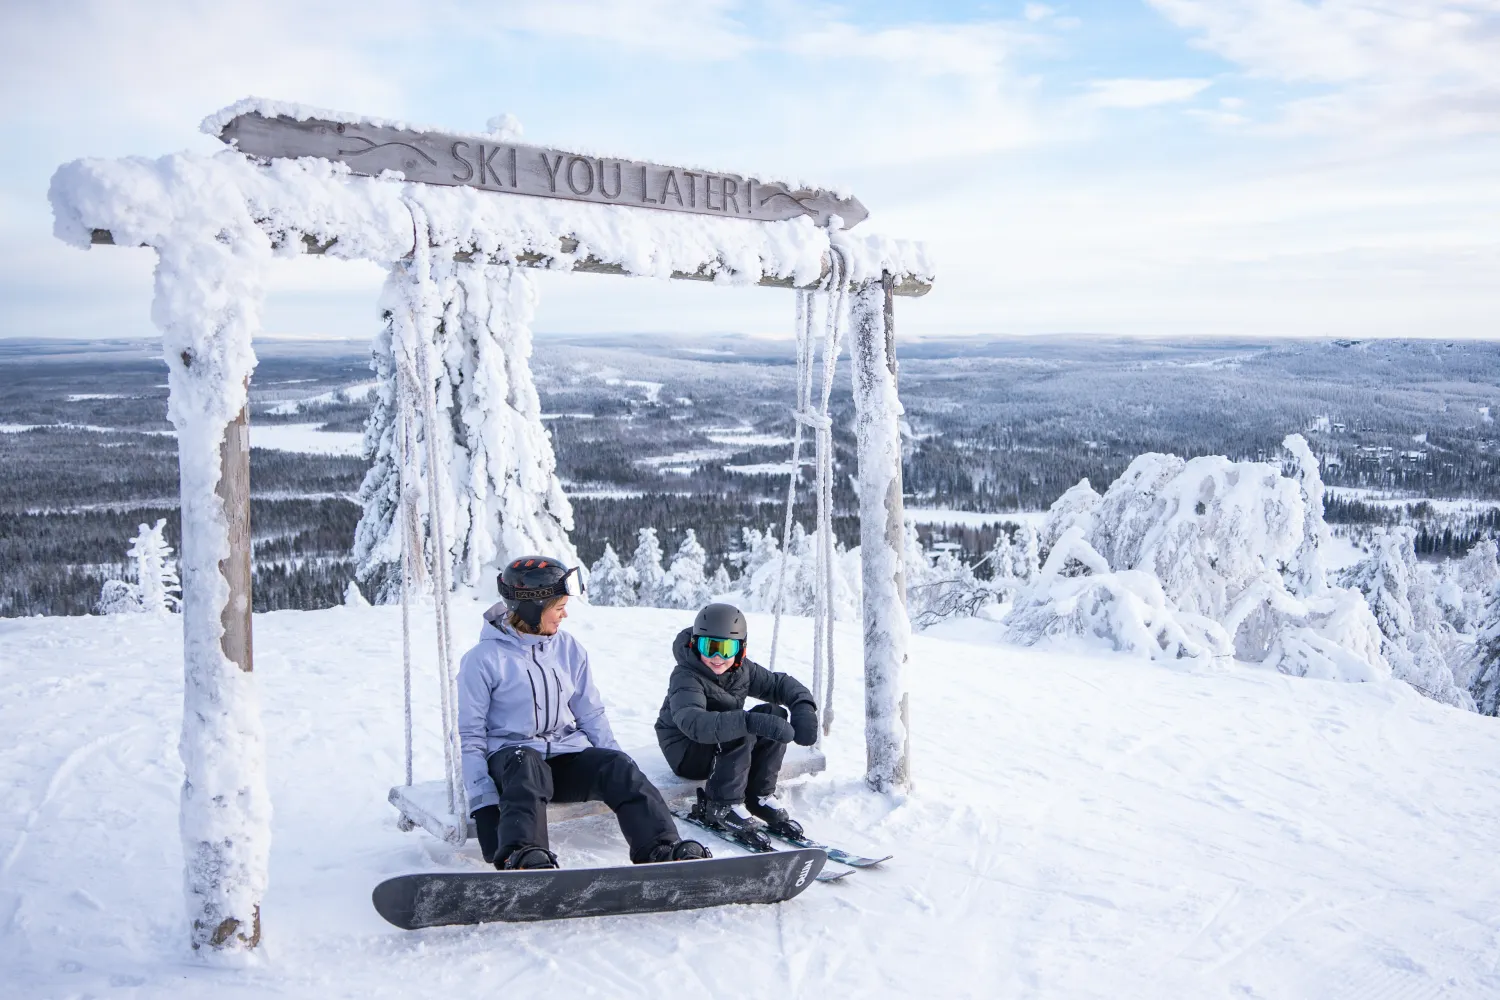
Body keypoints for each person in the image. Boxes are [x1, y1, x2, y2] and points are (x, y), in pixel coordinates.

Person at [458, 555, 708, 870]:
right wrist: (483, 801)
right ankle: (522, 855)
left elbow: (590, 714)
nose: (565, 615)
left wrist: (619, 762)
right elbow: (471, 735)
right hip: (512, 763)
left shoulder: (568, 648)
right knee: (526, 764)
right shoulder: (483, 660)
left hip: (564, 757)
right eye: (559, 608)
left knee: (617, 766)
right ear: (533, 608)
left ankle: (661, 847)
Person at [654, 602, 819, 843]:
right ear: (695, 644)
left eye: (727, 649)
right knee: (741, 727)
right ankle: (722, 804)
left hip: (719, 749)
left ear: (741, 649)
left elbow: (778, 684)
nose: (717, 657)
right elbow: (694, 722)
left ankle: (758, 796)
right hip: (685, 752)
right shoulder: (685, 676)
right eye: (709, 647)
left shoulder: (741, 670)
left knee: (773, 713)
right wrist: (750, 722)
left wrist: (803, 706)